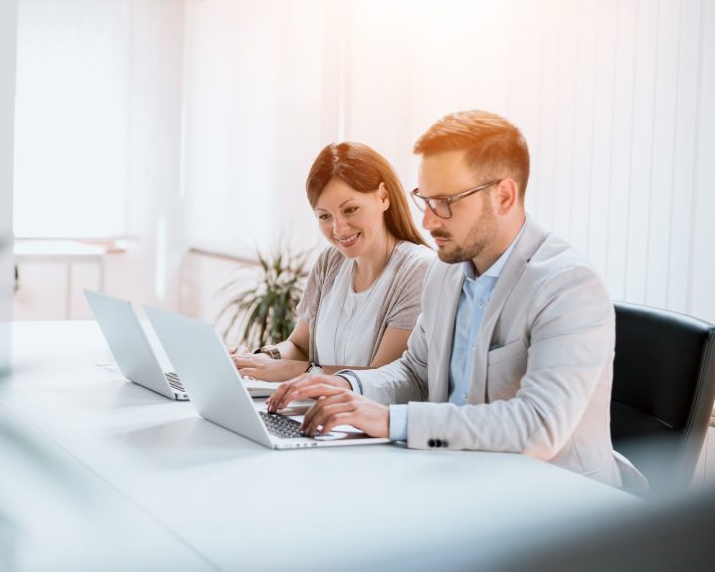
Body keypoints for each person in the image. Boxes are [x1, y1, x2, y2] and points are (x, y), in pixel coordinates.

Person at [267, 110, 642, 489]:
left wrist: (393, 421)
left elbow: (538, 427)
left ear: (504, 196)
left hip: (559, 504)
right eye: (425, 201)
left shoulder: (568, 286)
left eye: (445, 202)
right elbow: (415, 370)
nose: (428, 222)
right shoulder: (447, 271)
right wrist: (350, 388)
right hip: (461, 480)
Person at [231, 142, 434, 382]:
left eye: (350, 210)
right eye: (325, 216)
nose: (338, 229)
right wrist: (262, 359)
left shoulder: (418, 270)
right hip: (312, 411)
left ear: (383, 197)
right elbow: (299, 346)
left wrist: (302, 372)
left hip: (363, 418)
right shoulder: (331, 261)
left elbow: (384, 381)